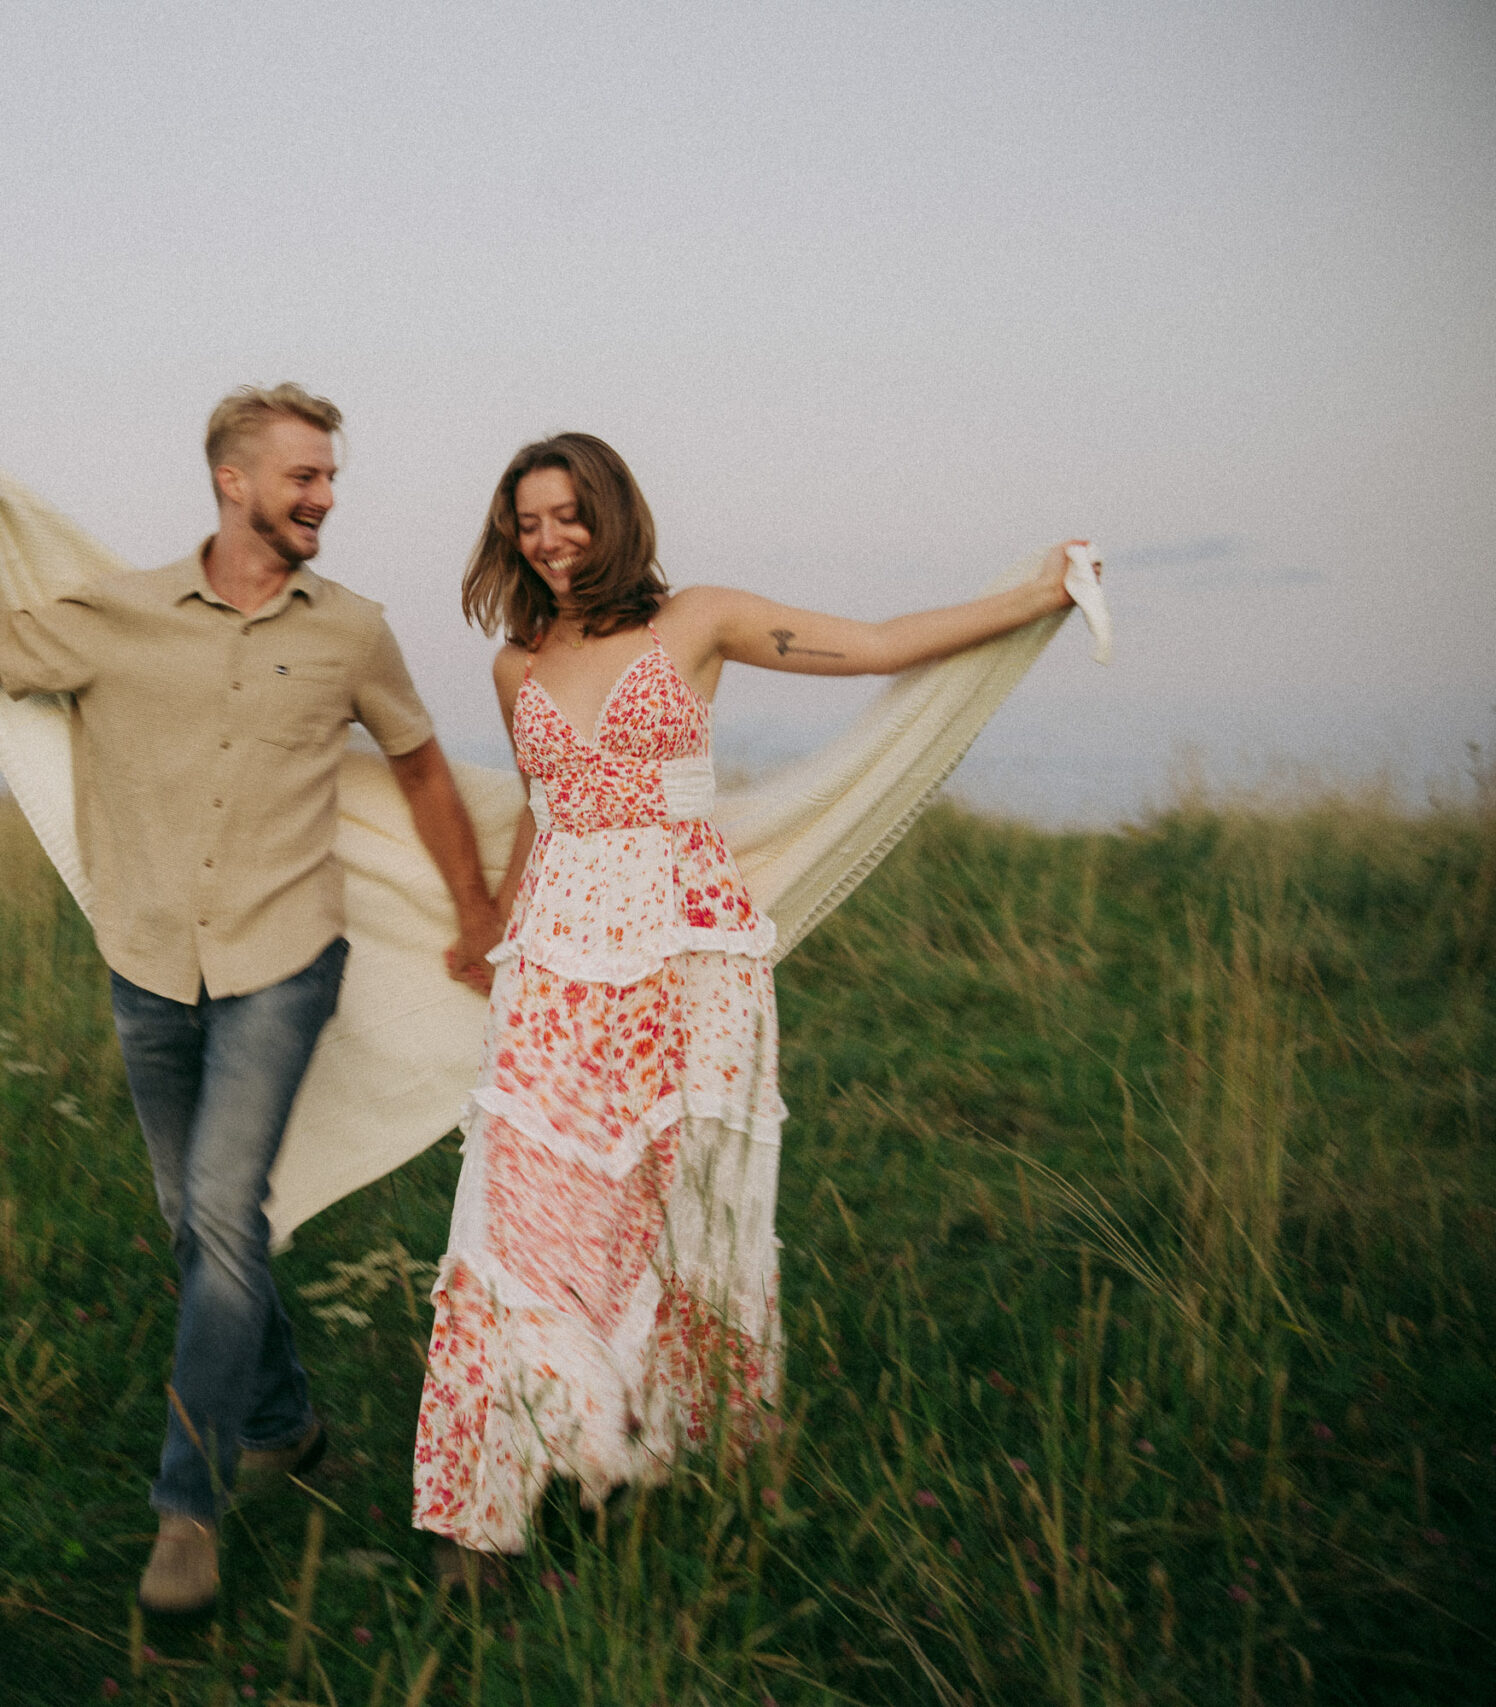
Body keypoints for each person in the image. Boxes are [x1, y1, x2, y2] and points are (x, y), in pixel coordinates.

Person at [412, 432, 1091, 1580]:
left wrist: (1035, 597)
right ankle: (482, 1502)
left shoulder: (699, 623)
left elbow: (876, 646)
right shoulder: (515, 664)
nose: (548, 539)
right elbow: (545, 803)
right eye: (527, 522)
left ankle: (630, 1451)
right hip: (557, 960)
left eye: (567, 514)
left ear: (611, 512)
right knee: (518, 1203)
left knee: (673, 1206)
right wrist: (498, 921)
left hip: (686, 956)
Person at [0, 384, 505, 1617]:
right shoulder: (116, 616)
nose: (326, 499)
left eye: (332, 479)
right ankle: (284, 1422)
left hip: (284, 962)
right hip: (146, 966)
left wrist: (476, 909)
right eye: (305, 478)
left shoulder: (350, 629)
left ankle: (187, 1512)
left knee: (226, 1216)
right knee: (193, 1227)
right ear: (233, 482)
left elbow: (420, 763)